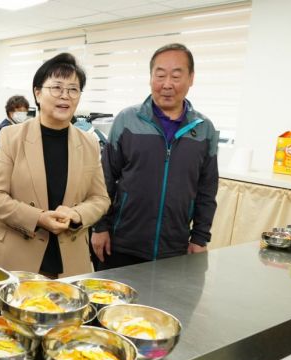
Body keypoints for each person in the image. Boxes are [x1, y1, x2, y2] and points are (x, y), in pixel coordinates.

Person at [0, 53, 110, 278]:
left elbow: (100, 199)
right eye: (57, 87)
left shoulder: (89, 142)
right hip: (14, 259)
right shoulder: (12, 137)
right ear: (38, 93)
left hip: (69, 263)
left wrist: (76, 215)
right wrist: (38, 218)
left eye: (73, 89)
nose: (65, 96)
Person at [91, 43, 219, 268]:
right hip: (121, 243)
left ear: (191, 78)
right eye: (160, 75)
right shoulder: (127, 121)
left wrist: (200, 238)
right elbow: (104, 179)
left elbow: (206, 189)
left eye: (176, 76)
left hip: (175, 248)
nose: (167, 84)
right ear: (150, 78)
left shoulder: (204, 129)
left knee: (167, 304)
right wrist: (99, 227)